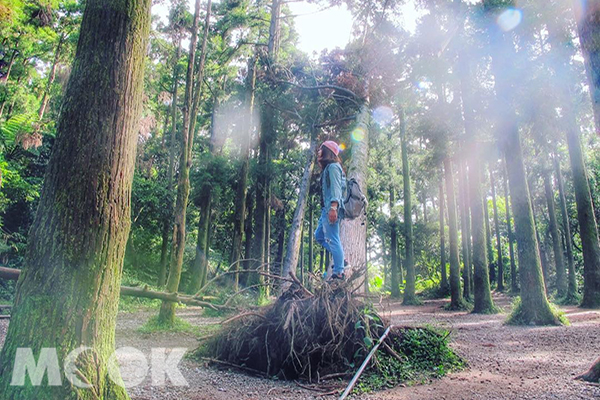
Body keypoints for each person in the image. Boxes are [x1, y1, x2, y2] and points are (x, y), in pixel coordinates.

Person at [314, 140, 347, 280]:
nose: (318, 151)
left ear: (328, 151)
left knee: (333, 239)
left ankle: (339, 272)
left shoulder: (333, 167)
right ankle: (341, 259)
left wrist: (334, 207)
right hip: (326, 209)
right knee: (319, 236)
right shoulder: (328, 168)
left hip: (331, 208)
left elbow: (336, 189)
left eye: (321, 149)